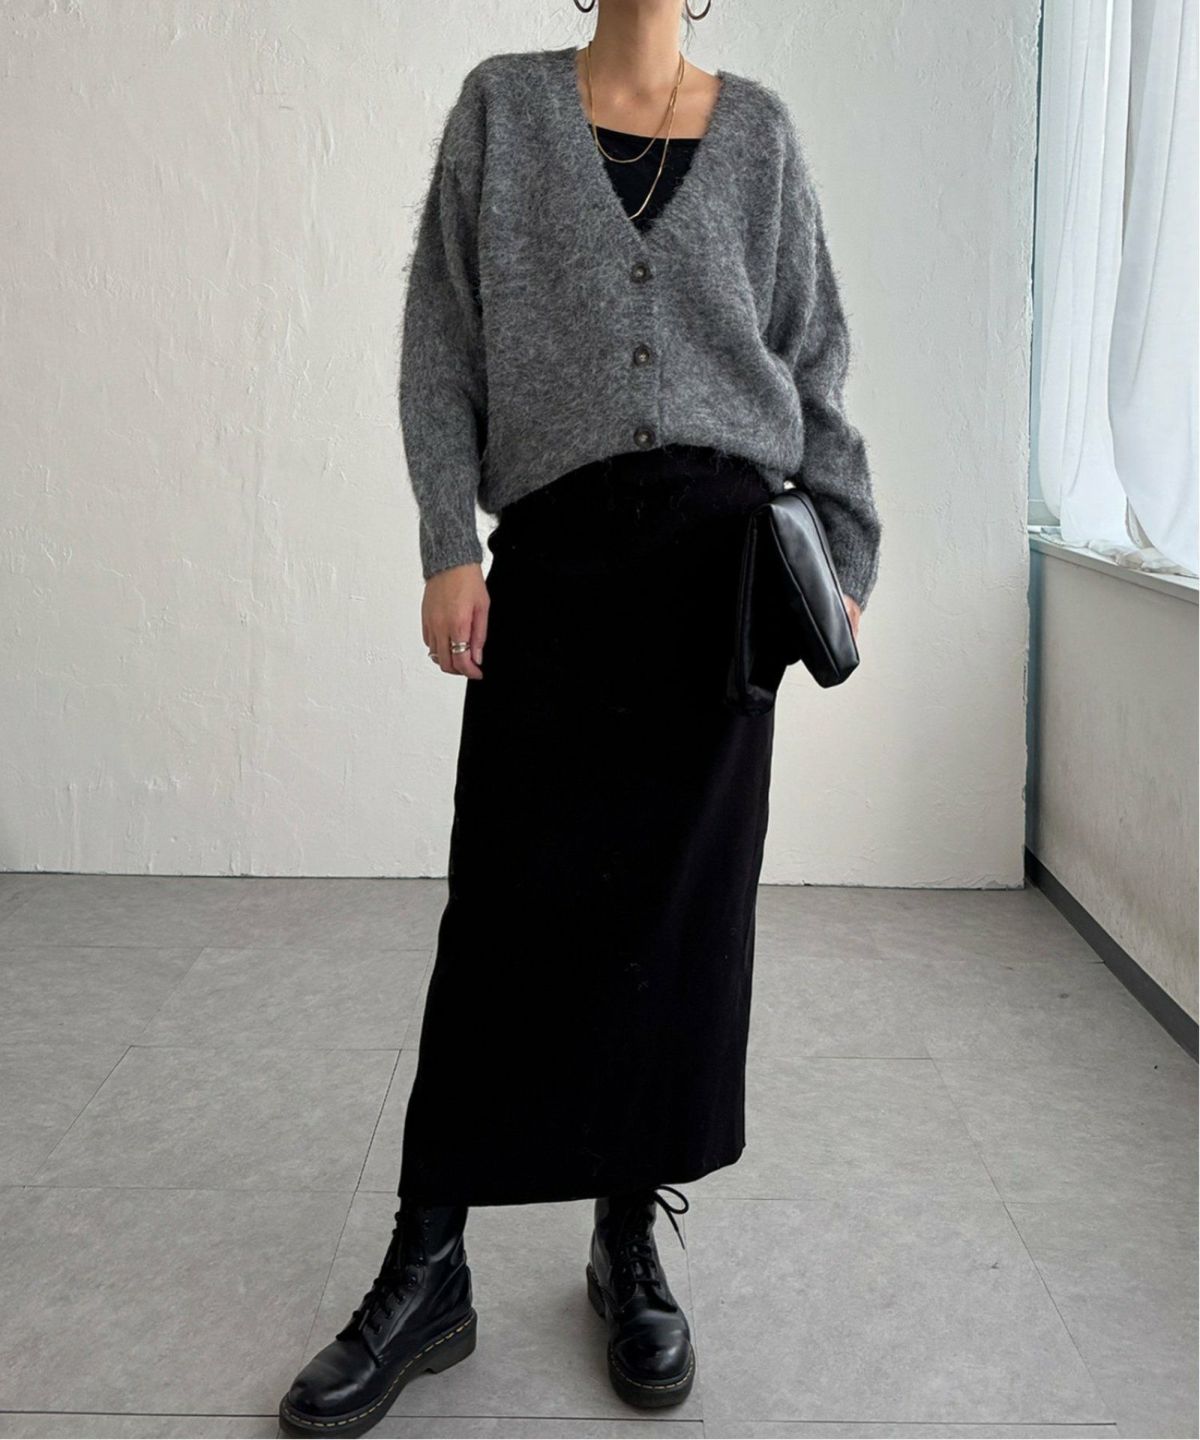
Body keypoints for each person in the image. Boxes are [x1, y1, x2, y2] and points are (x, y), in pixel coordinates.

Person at [279, 3, 881, 1435]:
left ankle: (627, 1239)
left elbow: (813, 363)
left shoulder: (762, 137)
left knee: (674, 923)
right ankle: (431, 1259)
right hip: (558, 561)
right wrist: (448, 542)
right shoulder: (503, 109)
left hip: (721, 583)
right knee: (504, 907)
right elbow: (441, 334)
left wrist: (846, 558)